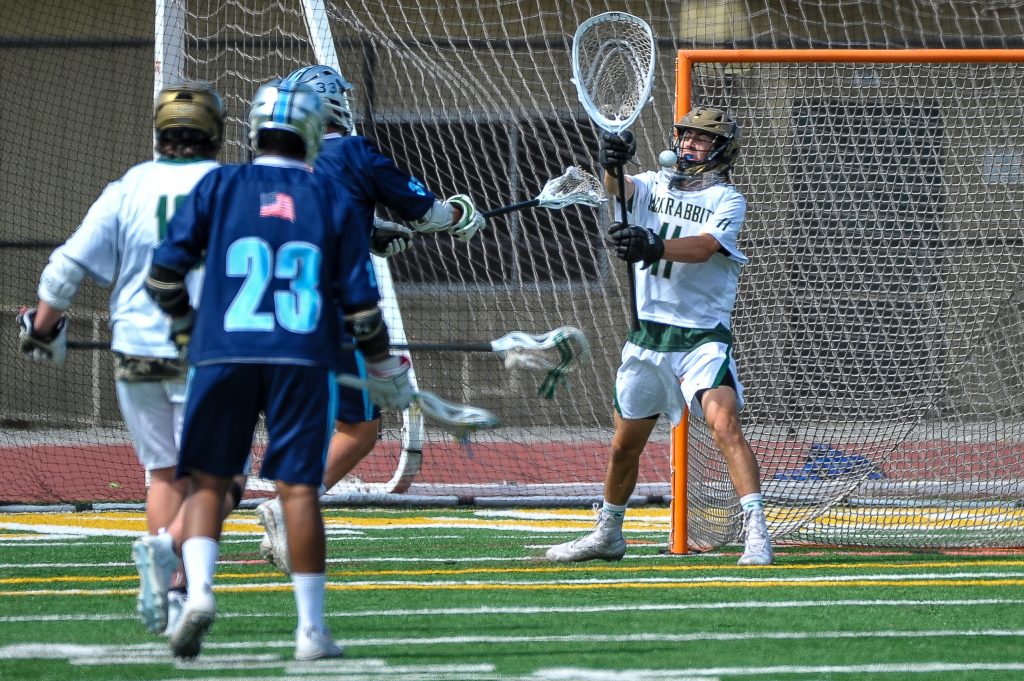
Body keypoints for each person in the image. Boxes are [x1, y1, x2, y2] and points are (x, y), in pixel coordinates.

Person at [148, 79, 415, 660]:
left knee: (209, 480)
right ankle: (310, 631)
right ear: (314, 132)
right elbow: (362, 310)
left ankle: (198, 592)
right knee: (298, 491)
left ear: (254, 129)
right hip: (301, 357)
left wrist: (190, 328)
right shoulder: (329, 196)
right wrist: (383, 368)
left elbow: (163, 276)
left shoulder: (220, 184)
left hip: (223, 352)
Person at [15, 81, 247, 634]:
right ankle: (171, 560)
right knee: (220, 478)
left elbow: (66, 267)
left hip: (137, 348)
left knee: (163, 474)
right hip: (209, 350)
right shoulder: (233, 186)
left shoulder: (129, 187)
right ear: (215, 132)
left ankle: (169, 595)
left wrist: (42, 327)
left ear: (161, 131)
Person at [254, 64, 486, 575]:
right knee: (358, 429)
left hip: (263, 314)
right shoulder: (353, 152)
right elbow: (426, 212)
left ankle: (189, 546)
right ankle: (290, 507)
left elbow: (307, 219)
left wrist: (369, 228)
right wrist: (460, 217)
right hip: (334, 310)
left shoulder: (270, 166)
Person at [544, 106, 773, 566]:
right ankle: (608, 533)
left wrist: (653, 245)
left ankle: (756, 532)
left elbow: (705, 247)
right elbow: (617, 187)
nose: (689, 144)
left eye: (701, 139)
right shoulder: (652, 183)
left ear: (721, 151)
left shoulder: (728, 199)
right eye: (685, 136)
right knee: (623, 446)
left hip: (701, 340)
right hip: (648, 340)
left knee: (724, 424)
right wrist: (612, 159)